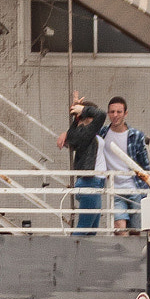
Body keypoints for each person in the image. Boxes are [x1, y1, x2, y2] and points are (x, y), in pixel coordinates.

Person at [96, 97, 149, 235]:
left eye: (119, 112)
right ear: (108, 113)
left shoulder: (136, 136)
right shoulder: (102, 134)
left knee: (136, 232)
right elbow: (83, 133)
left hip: (136, 189)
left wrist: (148, 191)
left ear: (125, 113)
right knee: (120, 229)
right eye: (112, 112)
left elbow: (145, 165)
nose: (115, 115)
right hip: (115, 190)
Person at [57, 96, 106, 234]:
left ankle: (83, 254)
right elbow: (101, 115)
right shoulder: (85, 132)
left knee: (90, 231)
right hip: (89, 183)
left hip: (94, 184)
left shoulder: (85, 132)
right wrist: (83, 109)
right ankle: (71, 254)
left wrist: (78, 112)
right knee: (84, 229)